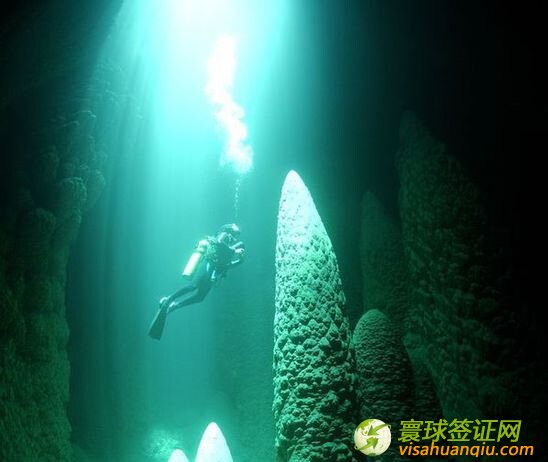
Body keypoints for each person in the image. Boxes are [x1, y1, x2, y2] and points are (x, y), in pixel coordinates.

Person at [148, 223, 245, 340]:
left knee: (200, 297)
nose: (236, 236)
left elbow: (227, 265)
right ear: (230, 230)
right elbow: (219, 243)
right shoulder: (224, 235)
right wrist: (235, 251)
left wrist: (239, 261)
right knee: (193, 286)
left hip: (214, 272)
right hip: (209, 264)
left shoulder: (230, 247)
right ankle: (168, 300)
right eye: (235, 232)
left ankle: (175, 306)